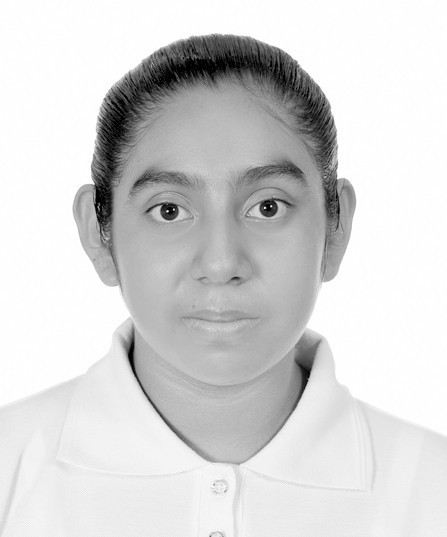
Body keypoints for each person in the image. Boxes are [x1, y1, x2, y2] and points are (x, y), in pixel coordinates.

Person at [0, 33, 446, 536]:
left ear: (336, 226)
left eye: (267, 207)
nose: (220, 263)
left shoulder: (433, 492)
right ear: (97, 232)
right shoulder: (10, 470)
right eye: (169, 210)